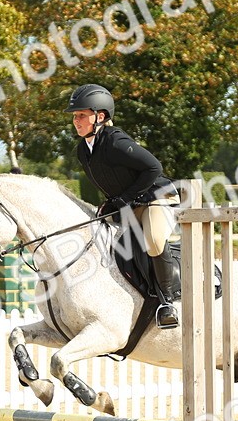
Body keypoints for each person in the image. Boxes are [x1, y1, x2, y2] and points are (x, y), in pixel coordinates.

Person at [66, 83, 180, 329]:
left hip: (157, 198)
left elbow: (154, 168)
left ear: (101, 116)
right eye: (75, 116)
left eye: (82, 115)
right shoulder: (83, 150)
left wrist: (124, 198)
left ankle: (167, 302)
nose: (76, 121)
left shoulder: (115, 141)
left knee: (153, 240)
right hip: (132, 203)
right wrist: (111, 202)